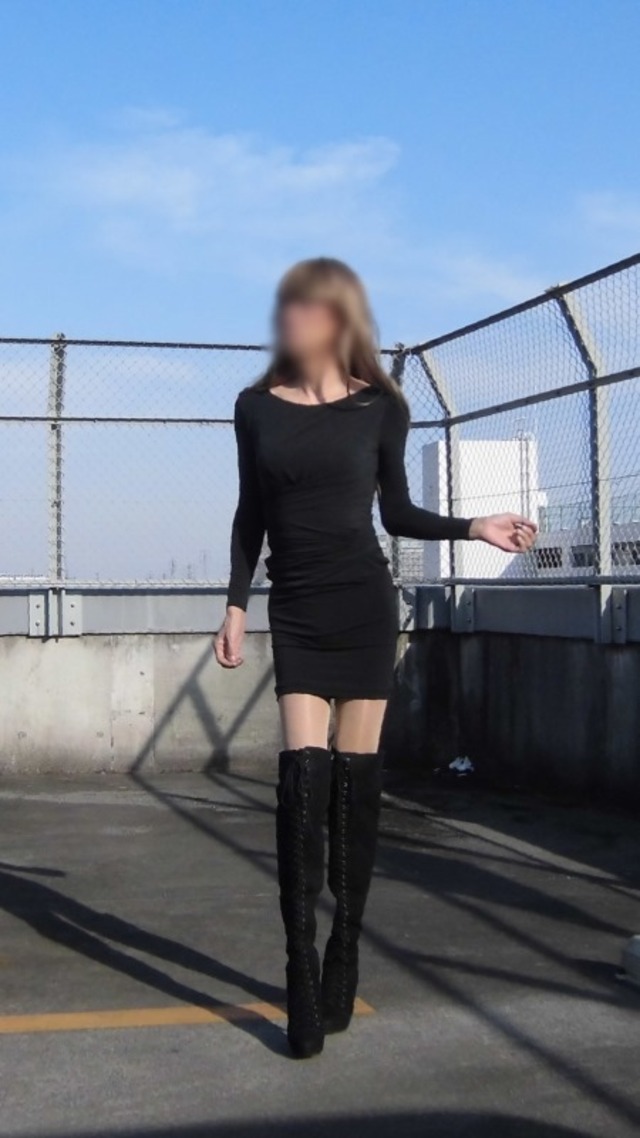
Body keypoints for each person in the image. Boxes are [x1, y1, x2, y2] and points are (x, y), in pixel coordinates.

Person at [214, 257, 536, 1059]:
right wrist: (235, 605)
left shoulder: (381, 407)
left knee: (356, 789)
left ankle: (344, 947)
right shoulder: (255, 408)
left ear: (340, 318)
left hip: (363, 604)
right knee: (302, 781)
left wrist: (474, 527)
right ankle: (298, 967)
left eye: (306, 307)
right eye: (286, 306)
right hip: (297, 608)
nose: (290, 319)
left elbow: (396, 512)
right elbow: (251, 513)